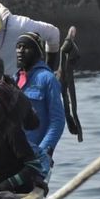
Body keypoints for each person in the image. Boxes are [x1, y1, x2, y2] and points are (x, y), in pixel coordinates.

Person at [15, 32, 65, 169]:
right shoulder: (15, 78)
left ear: (37, 51)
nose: (20, 51)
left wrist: (43, 151)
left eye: (26, 47)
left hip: (35, 153)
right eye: (18, 47)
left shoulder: (47, 79)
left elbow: (58, 121)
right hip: (14, 152)